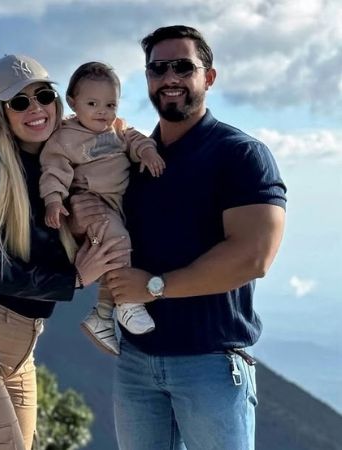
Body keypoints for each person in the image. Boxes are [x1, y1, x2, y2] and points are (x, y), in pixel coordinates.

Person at [81, 25, 286, 450]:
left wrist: (155, 287)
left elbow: (254, 256)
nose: (169, 77)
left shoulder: (240, 154)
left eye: (182, 67)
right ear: (147, 79)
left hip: (209, 364)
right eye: (158, 69)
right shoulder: (130, 159)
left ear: (208, 77)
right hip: (136, 365)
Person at [0, 54, 130, 450]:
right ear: (2, 114)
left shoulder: (67, 165)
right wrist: (74, 279)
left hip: (21, 351)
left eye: (43, 96)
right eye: (19, 102)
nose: (35, 109)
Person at [39, 61, 166, 356]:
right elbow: (54, 170)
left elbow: (136, 139)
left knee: (116, 252)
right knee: (118, 242)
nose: (102, 112)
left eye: (110, 105)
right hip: (91, 202)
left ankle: (102, 315)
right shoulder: (64, 137)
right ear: (73, 102)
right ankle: (128, 304)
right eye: (92, 104)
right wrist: (54, 200)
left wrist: (147, 151)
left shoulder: (117, 128)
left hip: (115, 205)